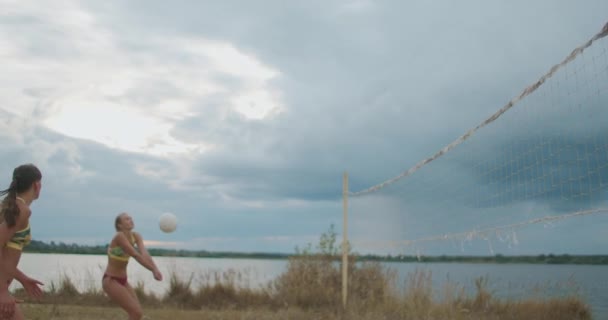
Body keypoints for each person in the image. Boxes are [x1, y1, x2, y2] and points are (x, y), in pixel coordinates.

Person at [0, 164, 45, 320]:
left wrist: (21, 278)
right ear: (36, 185)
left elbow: (5, 254)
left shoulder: (9, 206)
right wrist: (2, 292)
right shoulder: (22, 210)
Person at [102, 212, 163, 320]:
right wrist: (152, 269)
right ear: (119, 225)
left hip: (123, 281)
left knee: (137, 314)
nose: (131, 220)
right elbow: (135, 255)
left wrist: (156, 269)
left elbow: (144, 253)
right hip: (111, 280)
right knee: (136, 313)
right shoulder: (119, 236)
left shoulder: (136, 236)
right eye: (127, 219)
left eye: (131, 218)